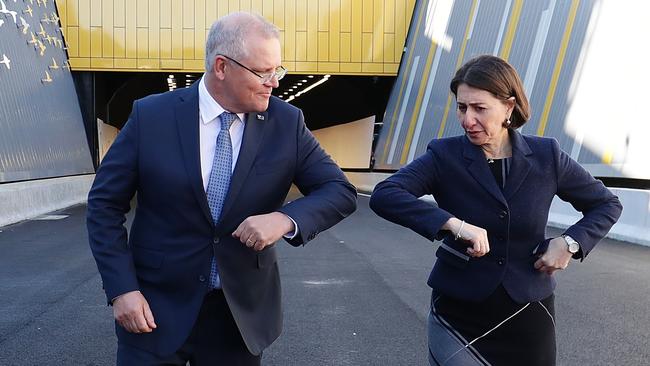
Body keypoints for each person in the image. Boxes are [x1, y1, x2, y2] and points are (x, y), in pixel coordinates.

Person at [86, 12, 357, 365]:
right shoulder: (151, 116)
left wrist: (284, 220)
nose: (273, 83)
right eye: (263, 72)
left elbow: (339, 190)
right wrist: (122, 289)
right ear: (221, 67)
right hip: (152, 309)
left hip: (238, 319)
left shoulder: (286, 123)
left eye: (278, 70)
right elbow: (104, 205)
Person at [370, 55, 621, 365]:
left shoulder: (547, 156)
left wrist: (570, 243)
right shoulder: (443, 155)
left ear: (509, 107)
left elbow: (606, 203)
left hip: (529, 310)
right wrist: (453, 224)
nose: (466, 120)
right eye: (462, 107)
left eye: (479, 108)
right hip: (458, 309)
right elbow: (385, 195)